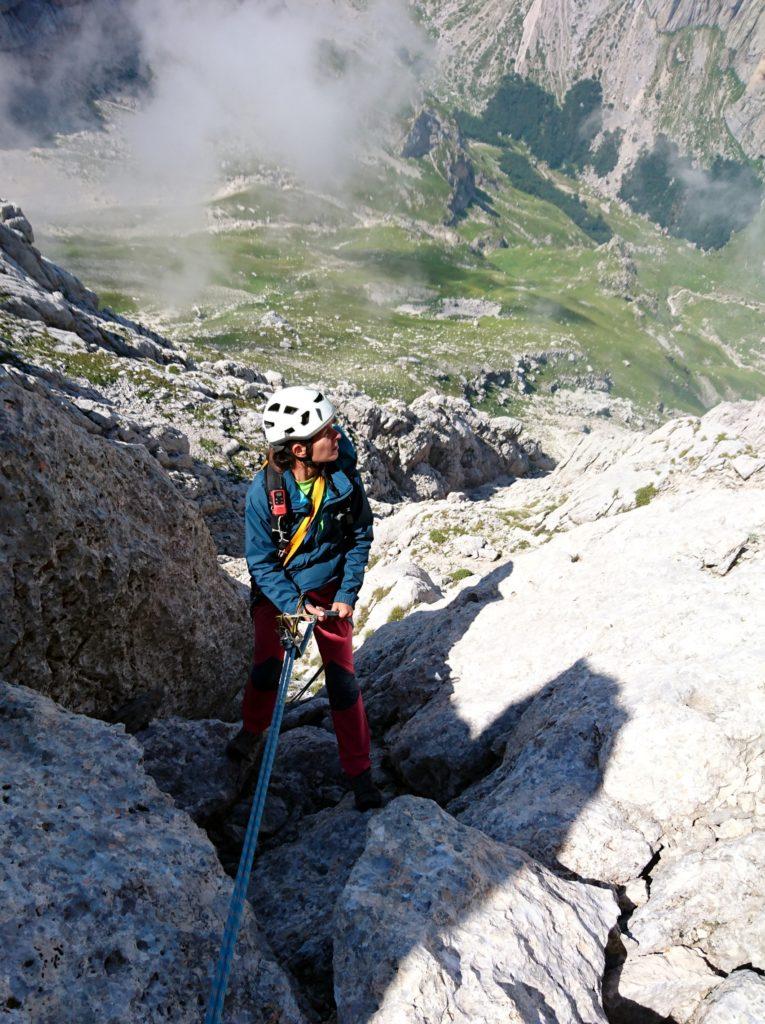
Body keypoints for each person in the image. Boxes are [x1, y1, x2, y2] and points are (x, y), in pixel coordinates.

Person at [226, 385, 382, 811]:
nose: (338, 434)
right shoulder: (265, 493)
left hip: (331, 590)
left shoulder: (345, 477)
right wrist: (294, 605)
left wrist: (348, 592)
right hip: (283, 593)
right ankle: (252, 730)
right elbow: (260, 561)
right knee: (266, 667)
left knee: (343, 682)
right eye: (327, 431)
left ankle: (361, 773)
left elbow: (359, 536)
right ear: (299, 449)